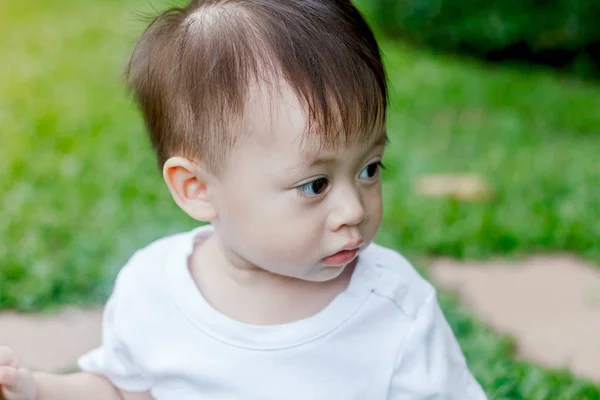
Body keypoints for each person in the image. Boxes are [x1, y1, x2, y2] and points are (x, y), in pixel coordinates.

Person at [0, 0, 487, 398]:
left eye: (368, 169)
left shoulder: (394, 309)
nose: (355, 210)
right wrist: (38, 390)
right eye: (315, 185)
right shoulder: (153, 291)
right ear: (197, 189)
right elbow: (121, 389)